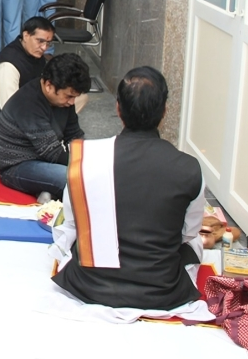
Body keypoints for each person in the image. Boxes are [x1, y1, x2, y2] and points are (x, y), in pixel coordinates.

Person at [51, 66, 206, 311]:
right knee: (195, 243)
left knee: (67, 230)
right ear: (164, 111)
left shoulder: (86, 158)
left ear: (118, 108)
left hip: (91, 285)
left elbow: (74, 222)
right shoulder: (189, 168)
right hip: (161, 291)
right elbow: (188, 234)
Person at [0, 53, 91, 201]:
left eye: (74, 97)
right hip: (15, 167)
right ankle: (50, 188)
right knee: (77, 180)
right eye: (69, 96)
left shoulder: (63, 100)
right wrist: (85, 166)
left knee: (83, 174)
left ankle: (47, 190)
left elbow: (73, 134)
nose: (72, 102)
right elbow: (52, 152)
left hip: (43, 160)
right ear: (49, 85)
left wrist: (87, 156)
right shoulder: (28, 103)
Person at [0, 16, 54, 137]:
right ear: (26, 36)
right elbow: (11, 110)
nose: (44, 48)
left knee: (74, 97)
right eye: (40, 41)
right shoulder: (7, 65)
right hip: (7, 125)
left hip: (34, 110)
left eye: (48, 43)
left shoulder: (36, 55)